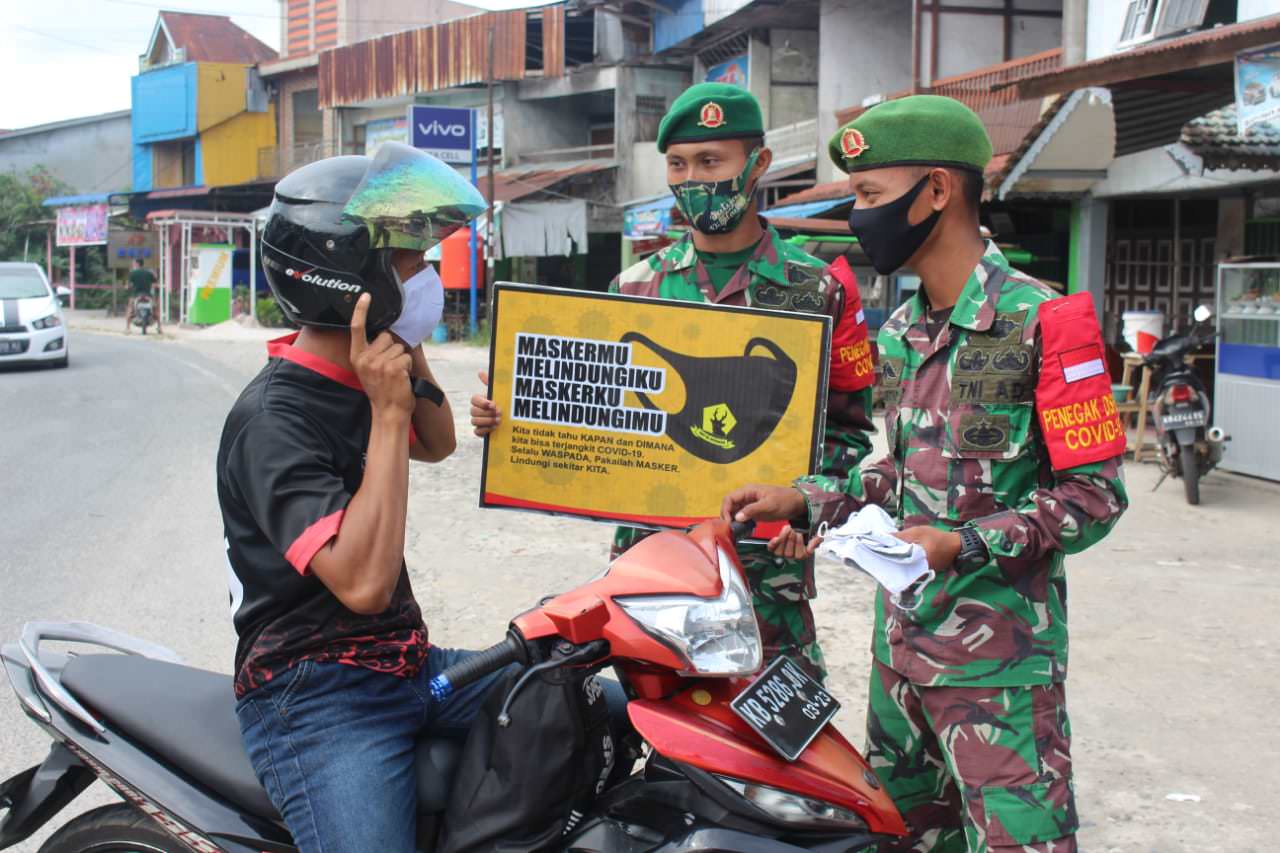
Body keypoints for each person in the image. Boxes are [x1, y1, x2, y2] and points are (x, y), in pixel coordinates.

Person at [721, 96, 1128, 852]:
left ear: (937, 190)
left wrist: (962, 547)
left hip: (997, 676)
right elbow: (902, 481)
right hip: (900, 661)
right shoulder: (905, 332)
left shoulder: (1048, 322)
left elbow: (1095, 497)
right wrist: (805, 501)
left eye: (872, 196)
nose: (860, 216)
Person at [470, 83, 876, 682]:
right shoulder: (633, 289)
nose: (694, 179)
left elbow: (849, 436)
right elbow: (600, 420)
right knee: (658, 753)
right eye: (680, 164)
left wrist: (805, 506)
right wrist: (511, 417)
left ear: (757, 165)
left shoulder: (821, 291)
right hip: (654, 577)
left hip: (768, 578)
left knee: (778, 759)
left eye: (713, 162)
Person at [217, 144, 500, 853]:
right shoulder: (270, 423)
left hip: (406, 663)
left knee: (582, 694)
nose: (427, 273)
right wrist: (387, 413)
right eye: (408, 259)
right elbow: (366, 583)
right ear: (351, 277)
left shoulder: (371, 368)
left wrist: (404, 337)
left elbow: (438, 442)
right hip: (314, 694)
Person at [125, 258, 161, 333]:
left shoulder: (132, 273)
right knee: (156, 310)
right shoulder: (149, 273)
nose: (133, 265)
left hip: (136, 295)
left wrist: (127, 287)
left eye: (134, 263)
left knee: (130, 309)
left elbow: (128, 285)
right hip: (148, 295)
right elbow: (155, 284)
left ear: (137, 264)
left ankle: (128, 328)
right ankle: (159, 328)